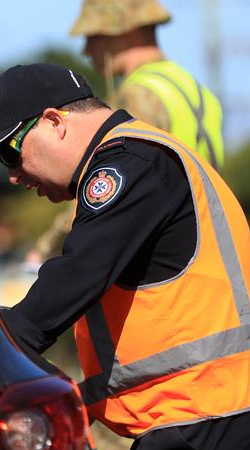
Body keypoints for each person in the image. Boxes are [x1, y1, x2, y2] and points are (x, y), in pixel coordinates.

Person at [0, 62, 250, 450]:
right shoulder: (149, 156)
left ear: (54, 122)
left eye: (11, 152)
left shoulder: (129, 163)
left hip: (204, 423)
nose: (12, 175)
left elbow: (76, 276)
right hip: (221, 417)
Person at [27, 0, 226, 267]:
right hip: (204, 240)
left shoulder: (138, 93)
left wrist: (45, 249)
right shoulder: (192, 88)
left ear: (123, 31)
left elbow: (106, 184)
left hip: (165, 256)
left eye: (92, 36)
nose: (86, 50)